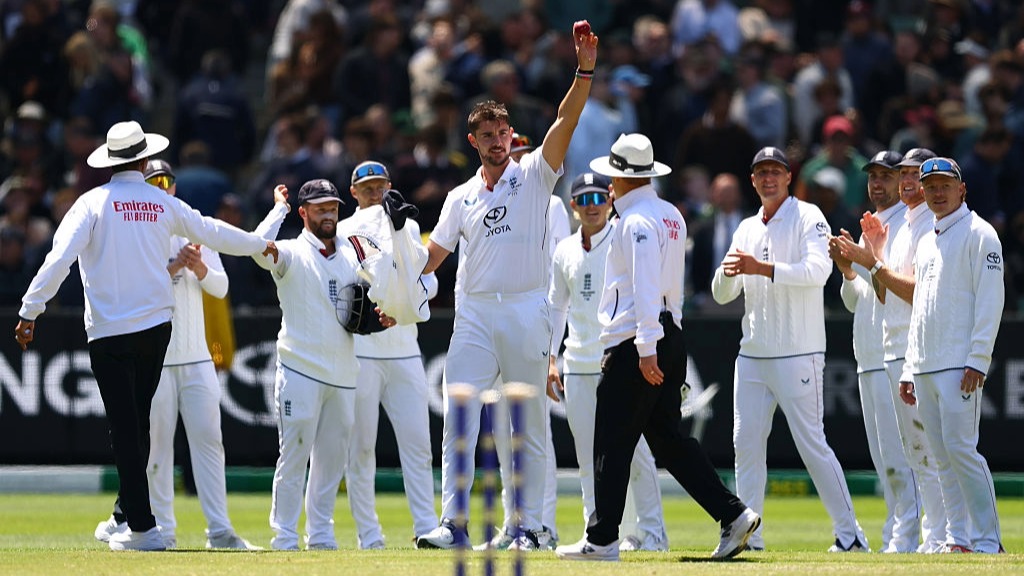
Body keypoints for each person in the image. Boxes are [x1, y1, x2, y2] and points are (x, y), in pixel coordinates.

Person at [15, 121, 277, 552]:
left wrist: (31, 309)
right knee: (136, 427)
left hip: (110, 331)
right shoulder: (162, 202)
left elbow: (59, 258)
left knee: (127, 427)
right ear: (141, 159)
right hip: (157, 331)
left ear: (112, 162)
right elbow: (213, 232)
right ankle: (128, 512)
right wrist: (256, 244)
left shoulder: (91, 203)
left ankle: (142, 527)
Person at [415, 20, 598, 551]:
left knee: (527, 423)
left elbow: (566, 118)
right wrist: (396, 288)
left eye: (504, 135)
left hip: (525, 310)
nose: (498, 144)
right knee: (460, 417)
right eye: (488, 137)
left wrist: (583, 70)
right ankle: (454, 524)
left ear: (512, 136)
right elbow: (433, 257)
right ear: (473, 142)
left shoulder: (536, 174)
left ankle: (529, 528)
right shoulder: (459, 197)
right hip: (472, 314)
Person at [556, 133, 759, 562]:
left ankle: (602, 538)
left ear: (622, 179)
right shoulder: (670, 214)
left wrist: (647, 347)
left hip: (638, 340)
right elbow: (670, 289)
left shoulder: (634, 221)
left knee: (611, 439)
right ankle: (732, 514)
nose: (608, 186)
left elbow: (646, 287)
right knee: (668, 441)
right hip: (667, 334)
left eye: (612, 177)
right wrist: (665, 340)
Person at [710, 146, 868, 553]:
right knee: (745, 445)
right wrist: (729, 274)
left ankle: (850, 536)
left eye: (775, 172)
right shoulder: (746, 227)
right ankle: (749, 536)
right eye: (761, 172)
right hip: (752, 355)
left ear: (787, 176)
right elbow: (722, 292)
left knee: (812, 444)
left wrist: (759, 268)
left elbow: (819, 272)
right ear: (753, 180)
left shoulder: (808, 216)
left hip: (800, 352)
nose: (768, 179)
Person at [251, 178, 396, 551]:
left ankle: (320, 534)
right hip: (299, 369)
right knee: (295, 453)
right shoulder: (291, 253)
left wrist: (385, 314)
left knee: (332, 461)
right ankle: (283, 534)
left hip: (343, 372)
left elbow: (376, 295)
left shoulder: (352, 253)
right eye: (320, 209)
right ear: (304, 213)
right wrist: (278, 209)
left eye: (332, 207)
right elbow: (255, 248)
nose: (329, 214)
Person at [126, 159, 258, 550]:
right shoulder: (135, 235)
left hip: (198, 358)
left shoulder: (192, 226)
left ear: (174, 187)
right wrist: (171, 267)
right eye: (153, 181)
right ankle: (163, 530)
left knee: (209, 442)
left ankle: (220, 530)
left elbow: (220, 287)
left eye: (167, 181)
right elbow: (134, 291)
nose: (161, 188)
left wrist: (198, 267)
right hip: (159, 361)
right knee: (158, 447)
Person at [829, 147, 954, 553]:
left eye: (892, 175)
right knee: (887, 458)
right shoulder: (878, 227)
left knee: (915, 452)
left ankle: (919, 536)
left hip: (906, 349)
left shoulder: (912, 221)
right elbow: (862, 298)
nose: (882, 183)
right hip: (872, 352)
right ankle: (897, 534)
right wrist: (851, 268)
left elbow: (905, 291)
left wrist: (871, 260)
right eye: (877, 176)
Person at [548, 172, 668, 553]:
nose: (593, 206)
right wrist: (552, 357)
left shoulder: (623, 237)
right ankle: (596, 533)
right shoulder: (564, 250)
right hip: (577, 364)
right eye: (584, 200)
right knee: (588, 457)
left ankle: (652, 534)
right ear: (573, 206)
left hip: (616, 359)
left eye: (600, 198)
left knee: (636, 452)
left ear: (611, 199)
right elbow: (556, 306)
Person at [900, 157, 1005, 554]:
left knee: (962, 450)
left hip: (959, 364)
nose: (937, 192)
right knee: (941, 456)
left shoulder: (981, 234)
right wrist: (911, 366)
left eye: (945, 185)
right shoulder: (928, 240)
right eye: (931, 186)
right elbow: (922, 309)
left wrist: (978, 359)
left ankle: (987, 540)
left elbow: (991, 301)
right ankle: (957, 538)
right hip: (926, 365)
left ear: (962, 189)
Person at [476, 132, 571, 550]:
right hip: (494, 325)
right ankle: (513, 525)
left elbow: (556, 283)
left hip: (532, 326)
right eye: (508, 150)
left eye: (519, 152)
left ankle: (541, 526)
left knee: (534, 432)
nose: (512, 157)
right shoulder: (481, 199)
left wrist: (552, 349)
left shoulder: (548, 205)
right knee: (501, 432)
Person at [339, 160, 439, 549]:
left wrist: (405, 305)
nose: (374, 192)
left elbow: (426, 280)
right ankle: (369, 534)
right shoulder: (344, 230)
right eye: (367, 187)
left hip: (404, 350)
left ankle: (427, 526)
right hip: (362, 350)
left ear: (390, 185)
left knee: (417, 444)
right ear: (354, 192)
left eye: (380, 185)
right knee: (361, 447)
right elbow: (346, 286)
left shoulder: (408, 224)